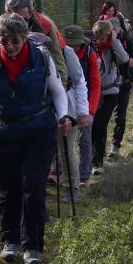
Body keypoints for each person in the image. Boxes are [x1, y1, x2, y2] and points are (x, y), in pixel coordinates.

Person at [0, 13, 71, 264]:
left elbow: (58, 92)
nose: (11, 46)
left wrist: (64, 116)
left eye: (15, 40)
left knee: (33, 185)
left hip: (39, 131)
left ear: (24, 37)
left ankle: (33, 246)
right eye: (5, 41)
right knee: (10, 186)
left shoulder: (42, 58)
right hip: (4, 133)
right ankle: (10, 241)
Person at [0, 0, 68, 88]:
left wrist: (60, 90)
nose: (20, 24)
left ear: (31, 14)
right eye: (15, 20)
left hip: (38, 87)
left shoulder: (46, 28)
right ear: (6, 14)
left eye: (24, 19)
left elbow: (59, 63)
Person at [98, 2, 133, 159]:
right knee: (103, 118)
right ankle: (100, 149)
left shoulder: (128, 41)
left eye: (116, 28)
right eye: (111, 29)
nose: (114, 31)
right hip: (107, 84)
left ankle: (115, 146)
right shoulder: (101, 43)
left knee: (120, 115)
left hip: (125, 82)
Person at [63, 25, 101, 188]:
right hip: (64, 101)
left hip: (85, 101)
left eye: (75, 44)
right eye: (69, 44)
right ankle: (56, 171)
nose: (73, 47)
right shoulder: (60, 53)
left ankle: (84, 176)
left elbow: (95, 84)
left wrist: (90, 112)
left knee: (85, 141)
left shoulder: (89, 54)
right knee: (61, 140)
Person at [91, 20, 129, 173]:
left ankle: (97, 162)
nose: (100, 41)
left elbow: (124, 59)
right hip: (93, 92)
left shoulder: (113, 46)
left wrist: (114, 40)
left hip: (110, 92)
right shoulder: (91, 46)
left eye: (103, 38)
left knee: (101, 124)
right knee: (94, 126)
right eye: (98, 38)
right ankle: (93, 159)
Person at [55, 41, 90, 203]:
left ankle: (72, 186)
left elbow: (80, 82)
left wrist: (82, 112)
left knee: (67, 148)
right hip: (46, 108)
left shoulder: (66, 52)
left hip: (69, 109)